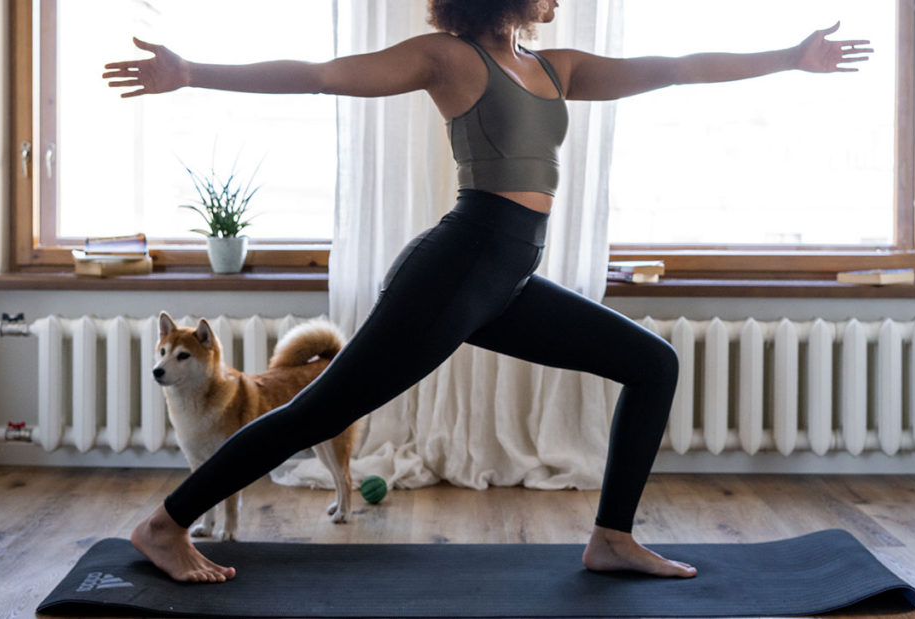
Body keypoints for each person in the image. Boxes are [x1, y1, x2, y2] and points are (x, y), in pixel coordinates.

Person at [103, 0, 871, 583]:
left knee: (652, 363)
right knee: (321, 409)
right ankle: (166, 524)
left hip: (505, 278)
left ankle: (610, 537)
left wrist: (792, 56)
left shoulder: (553, 66)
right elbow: (322, 77)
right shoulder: (449, 58)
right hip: (455, 269)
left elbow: (674, 66)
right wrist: (192, 71)